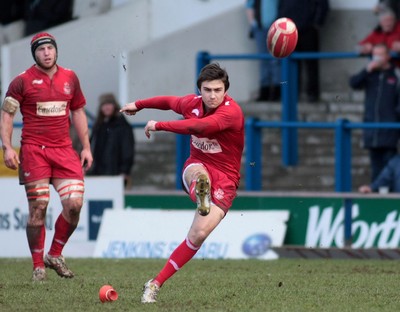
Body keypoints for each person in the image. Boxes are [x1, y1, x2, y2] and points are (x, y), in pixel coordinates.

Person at [120, 63, 244, 303]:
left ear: (225, 90)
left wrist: (160, 125)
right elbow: (169, 101)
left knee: (197, 235)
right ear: (200, 89)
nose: (212, 95)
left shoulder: (231, 112)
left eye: (218, 90)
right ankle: (201, 190)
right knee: (199, 174)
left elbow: (199, 127)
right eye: (207, 90)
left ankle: (155, 282)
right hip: (197, 165)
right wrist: (139, 104)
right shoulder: (192, 104)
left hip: (226, 178)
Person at [0, 32, 93, 281]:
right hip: (33, 150)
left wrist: (86, 146)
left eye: (50, 48)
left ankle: (55, 254)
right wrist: (7, 147)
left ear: (56, 50)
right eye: (41, 50)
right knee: (38, 208)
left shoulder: (70, 77)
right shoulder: (21, 81)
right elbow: (7, 114)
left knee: (74, 205)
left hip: (64, 151)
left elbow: (78, 111)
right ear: (35, 54)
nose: (47, 53)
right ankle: (38, 266)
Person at [349, 43, 400, 183]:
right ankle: (376, 199)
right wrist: (366, 70)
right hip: (372, 131)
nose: (376, 58)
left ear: (388, 56)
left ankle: (390, 201)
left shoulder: (396, 75)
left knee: (390, 170)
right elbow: (353, 83)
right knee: (376, 169)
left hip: (390, 131)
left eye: (380, 54)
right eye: (374, 54)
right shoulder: (370, 74)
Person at [278, 0, 330, 103]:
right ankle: (293, 93)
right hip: (289, 31)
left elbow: (323, 5)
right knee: (291, 64)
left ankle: (312, 94)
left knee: (311, 63)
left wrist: (316, 23)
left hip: (308, 29)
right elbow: (281, 7)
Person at [88, 93, 135, 189]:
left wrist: (125, 171)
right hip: (98, 173)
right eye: (104, 105)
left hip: (115, 174)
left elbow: (128, 150)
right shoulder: (99, 126)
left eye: (109, 104)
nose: (106, 107)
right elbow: (91, 146)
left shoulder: (123, 126)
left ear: (115, 106)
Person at [245, 0, 281, 101]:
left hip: (276, 29)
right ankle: (265, 90)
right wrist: (253, 23)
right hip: (260, 29)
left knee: (276, 60)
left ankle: (277, 91)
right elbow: (249, 6)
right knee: (263, 60)